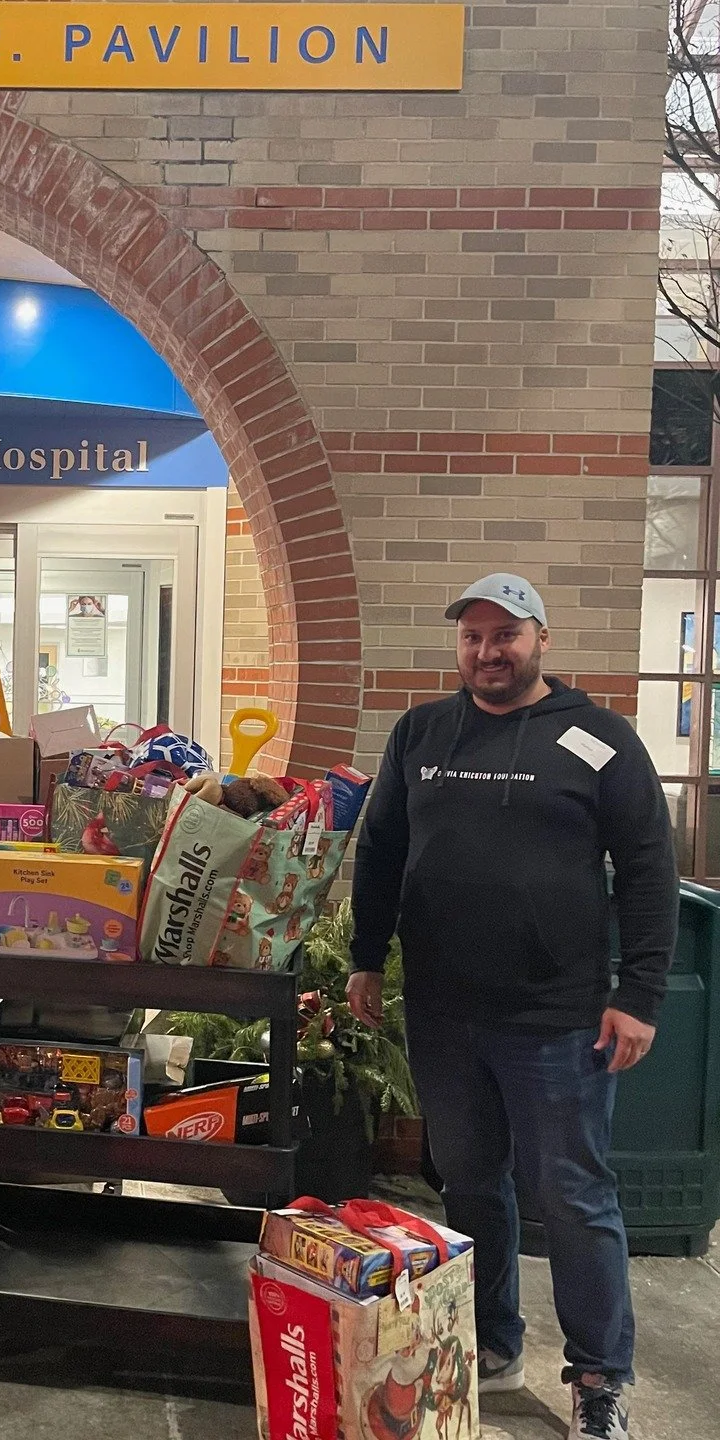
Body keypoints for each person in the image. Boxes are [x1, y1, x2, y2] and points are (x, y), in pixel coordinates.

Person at [347, 574, 677, 1440]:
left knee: (571, 1197)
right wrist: (365, 961)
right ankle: (490, 1342)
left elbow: (649, 870)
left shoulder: (597, 739)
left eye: (507, 636)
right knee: (469, 1185)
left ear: (542, 639)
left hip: (558, 1019)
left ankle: (600, 1376)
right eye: (473, 637)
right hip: (444, 1012)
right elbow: (379, 851)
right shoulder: (421, 731)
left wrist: (637, 995)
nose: (488, 652)